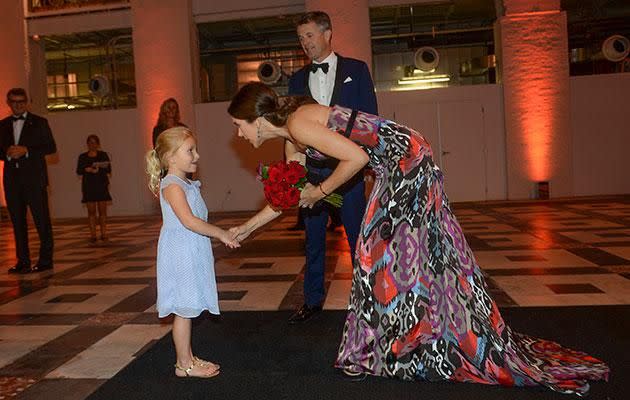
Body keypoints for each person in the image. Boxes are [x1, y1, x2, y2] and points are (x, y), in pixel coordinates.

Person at [227, 82, 609, 395]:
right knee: (395, 256)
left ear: (256, 119)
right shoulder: (292, 138)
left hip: (406, 162)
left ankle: (382, 350)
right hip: (396, 163)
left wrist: (322, 189)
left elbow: (357, 160)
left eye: (238, 125)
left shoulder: (299, 125)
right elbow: (288, 194)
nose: (238, 134)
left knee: (372, 255)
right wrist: (244, 228)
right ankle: (410, 340)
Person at [285, 11, 378, 324]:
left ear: (327, 33)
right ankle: (312, 300)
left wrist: (364, 166)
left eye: (309, 35)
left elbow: (369, 121)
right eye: (301, 38)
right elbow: (291, 129)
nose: (305, 43)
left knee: (357, 236)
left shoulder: (356, 70)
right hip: (313, 171)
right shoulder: (296, 80)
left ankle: (366, 302)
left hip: (348, 170)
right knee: (313, 239)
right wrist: (295, 171)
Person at [145, 126, 239, 378]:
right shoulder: (173, 186)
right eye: (190, 150)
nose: (196, 155)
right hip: (181, 253)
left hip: (191, 249)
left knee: (187, 307)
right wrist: (219, 233)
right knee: (184, 310)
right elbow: (188, 220)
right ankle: (183, 364)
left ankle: (187, 356)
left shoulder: (183, 183)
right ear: (170, 158)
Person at [0, 88, 57, 274]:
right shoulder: (3, 125)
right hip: (12, 181)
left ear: (27, 102)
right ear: (9, 103)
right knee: (17, 222)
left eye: (21, 102)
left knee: (42, 220)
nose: (18, 105)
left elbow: (50, 147)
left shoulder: (40, 123)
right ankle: (22, 261)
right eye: (14, 102)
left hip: (34, 179)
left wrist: (27, 150)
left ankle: (45, 261)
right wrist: (7, 153)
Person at [76, 134, 112, 242]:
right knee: (91, 212)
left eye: (94, 142)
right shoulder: (82, 157)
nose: (92, 145)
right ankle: (93, 234)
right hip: (89, 186)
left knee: (102, 211)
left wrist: (99, 169)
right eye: (90, 142)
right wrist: (87, 169)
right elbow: (78, 170)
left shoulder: (103, 155)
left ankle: (104, 233)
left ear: (98, 144)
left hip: (101, 185)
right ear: (87, 144)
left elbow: (108, 169)